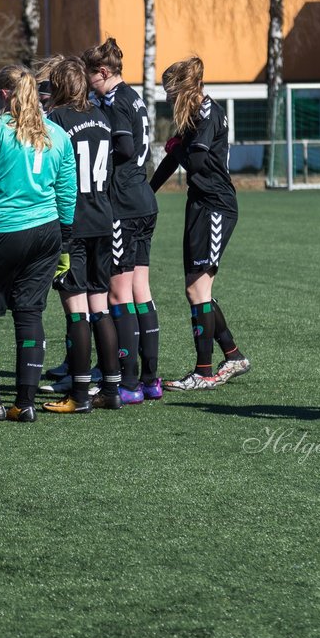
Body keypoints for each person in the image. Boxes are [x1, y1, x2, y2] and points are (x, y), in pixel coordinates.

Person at [0, 65, 76, 423]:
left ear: (4, 95)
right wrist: (64, 242)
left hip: (4, 232)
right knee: (30, 313)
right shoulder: (57, 134)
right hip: (47, 233)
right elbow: (67, 192)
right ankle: (25, 402)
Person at [150, 56, 251, 390]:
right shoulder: (193, 114)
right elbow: (175, 156)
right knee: (197, 289)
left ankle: (204, 372)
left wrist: (176, 147)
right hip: (199, 204)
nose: (166, 98)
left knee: (197, 289)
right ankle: (233, 356)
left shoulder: (207, 112)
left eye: (168, 91)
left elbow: (193, 160)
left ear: (183, 89)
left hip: (216, 206)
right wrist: (147, 191)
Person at [37, 57, 124, 414]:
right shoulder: (102, 118)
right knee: (99, 306)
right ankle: (112, 391)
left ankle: (79, 394)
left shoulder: (57, 119)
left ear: (59, 86)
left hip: (74, 221)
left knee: (76, 308)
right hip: (103, 219)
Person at [83, 37, 162, 403]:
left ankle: (128, 383)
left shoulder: (115, 102)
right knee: (140, 290)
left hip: (124, 204)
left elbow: (125, 147)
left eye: (90, 77)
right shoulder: (133, 97)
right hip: (143, 200)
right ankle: (149, 379)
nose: (87, 84)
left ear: (103, 72)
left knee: (118, 292)